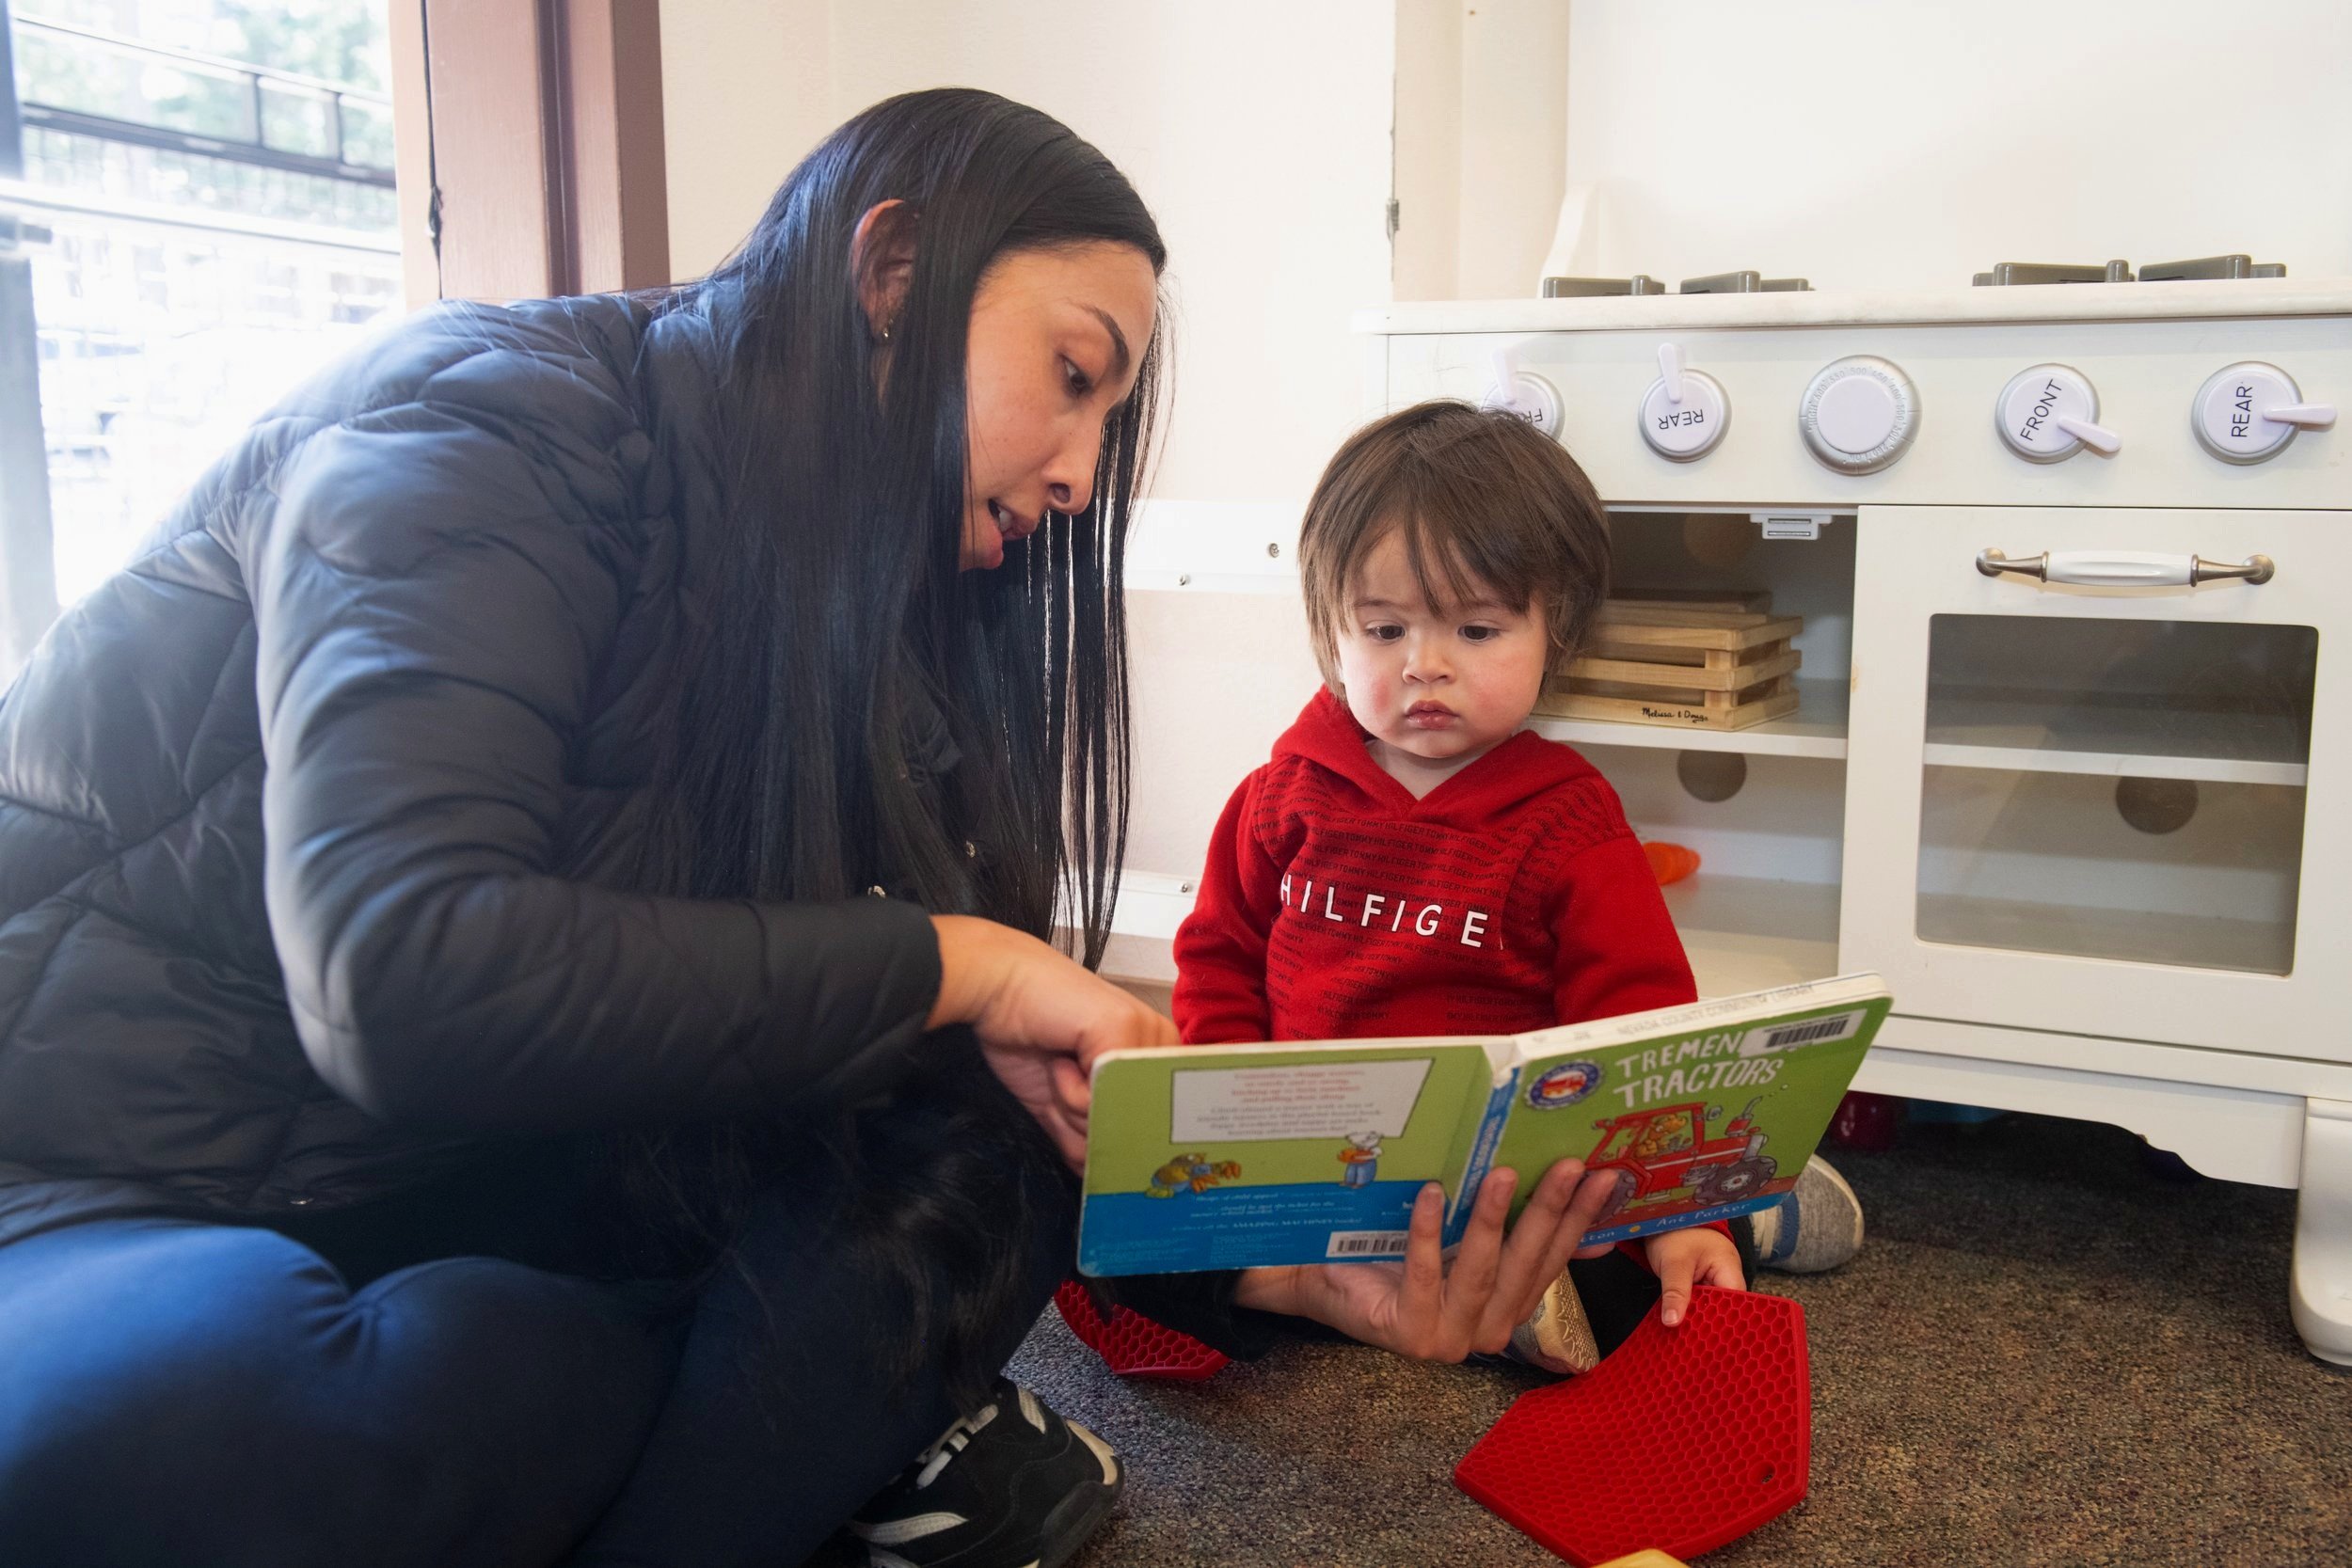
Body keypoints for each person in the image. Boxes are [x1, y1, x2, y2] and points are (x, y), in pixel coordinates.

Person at [0, 92, 1622, 1568]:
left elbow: (894, 1043)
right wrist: (966, 963)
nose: (1080, 475)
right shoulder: (484, 436)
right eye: (1072, 380)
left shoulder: (878, 588)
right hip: (111, 1178)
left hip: (483, 1167)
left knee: (981, 1144)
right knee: (231, 1412)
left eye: (1108, 426)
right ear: (895, 276)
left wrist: (1288, 1266)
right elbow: (403, 973)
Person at [1173, 401, 1864, 1373]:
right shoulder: (1280, 796)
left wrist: (1678, 1211)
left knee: (1648, 1300)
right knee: (1189, 1280)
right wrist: (1228, 1131)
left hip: (1515, 1167)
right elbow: (1218, 958)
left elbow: (1640, 1028)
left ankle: (1752, 1203)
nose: (1426, 664)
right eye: (1383, 628)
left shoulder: (1569, 824)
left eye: (1477, 626)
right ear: (1331, 632)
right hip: (1330, 1166)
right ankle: (1474, 1294)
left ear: (1557, 632)